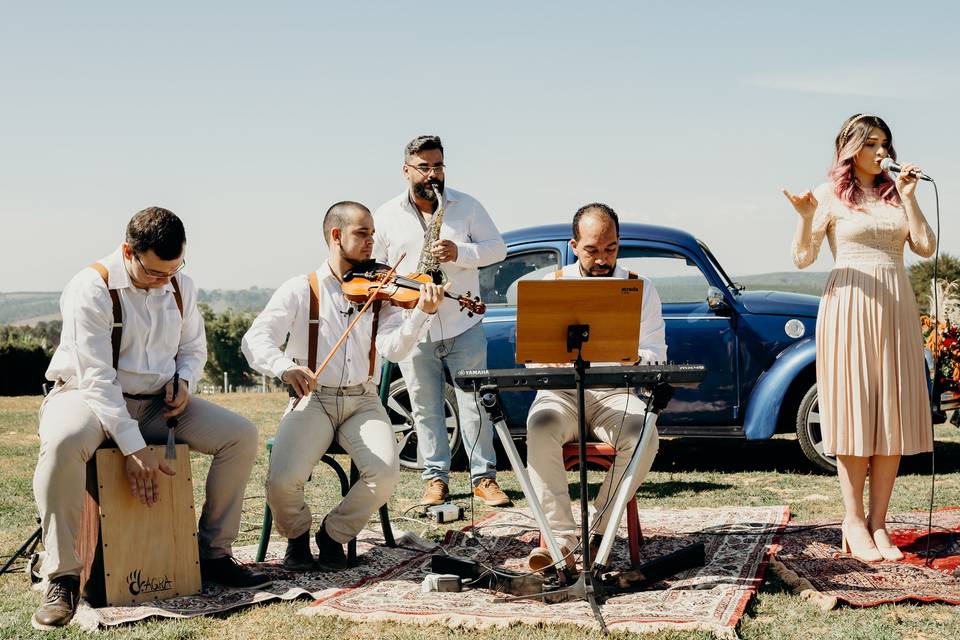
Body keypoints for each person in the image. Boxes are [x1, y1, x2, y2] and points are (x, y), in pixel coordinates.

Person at [32, 207, 268, 630]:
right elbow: (97, 377)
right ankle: (63, 575)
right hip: (88, 398)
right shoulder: (91, 287)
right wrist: (133, 447)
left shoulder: (181, 285)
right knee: (65, 441)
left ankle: (213, 553)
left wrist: (184, 380)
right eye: (156, 272)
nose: (165, 280)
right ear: (128, 251)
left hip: (159, 403)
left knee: (241, 436)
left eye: (174, 270)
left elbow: (195, 346)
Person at [242, 201, 445, 571]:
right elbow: (256, 339)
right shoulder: (300, 289)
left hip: (362, 400)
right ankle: (298, 537)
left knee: (385, 474)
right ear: (336, 236)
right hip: (314, 398)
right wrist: (285, 368)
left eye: (372, 234)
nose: (372, 242)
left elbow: (393, 349)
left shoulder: (380, 291)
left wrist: (421, 315)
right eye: (362, 234)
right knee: (282, 481)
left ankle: (332, 535)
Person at [785, 113, 936, 563]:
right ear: (850, 148)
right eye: (870, 144)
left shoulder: (896, 193)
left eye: (884, 143)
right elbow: (802, 257)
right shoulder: (829, 194)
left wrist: (909, 197)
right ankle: (852, 519)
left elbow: (926, 246)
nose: (880, 151)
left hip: (895, 306)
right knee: (855, 413)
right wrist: (806, 216)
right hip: (848, 307)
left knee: (891, 413)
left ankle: (879, 522)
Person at [524, 203, 666, 571]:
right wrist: (546, 359)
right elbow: (531, 358)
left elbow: (656, 354)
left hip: (615, 393)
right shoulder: (550, 285)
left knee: (644, 433)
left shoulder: (641, 287)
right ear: (574, 245)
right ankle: (560, 543)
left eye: (611, 249)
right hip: (561, 394)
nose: (603, 259)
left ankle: (598, 532)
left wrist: (633, 357)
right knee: (539, 428)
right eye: (592, 250)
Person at [372, 135, 510, 507]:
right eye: (425, 167)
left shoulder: (467, 206)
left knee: (475, 403)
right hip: (414, 325)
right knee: (425, 406)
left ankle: (484, 479)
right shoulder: (385, 216)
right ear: (406, 171)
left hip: (463, 321)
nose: (433, 174)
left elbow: (498, 248)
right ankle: (436, 480)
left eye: (439, 166)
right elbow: (376, 269)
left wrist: (459, 252)